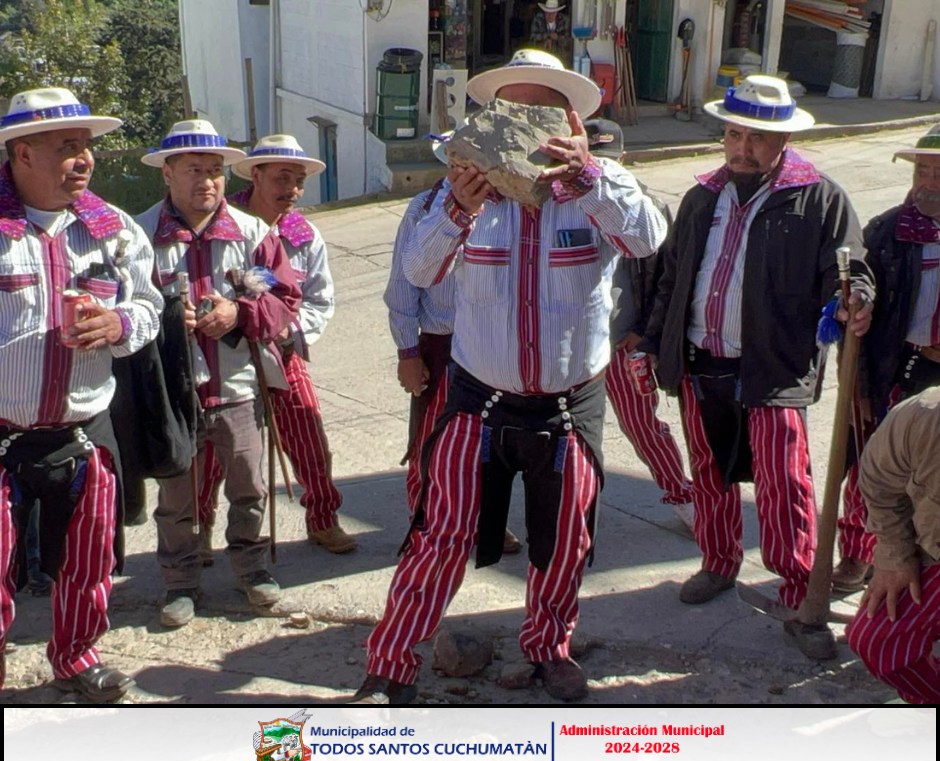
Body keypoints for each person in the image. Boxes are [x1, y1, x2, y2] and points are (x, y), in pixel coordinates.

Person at [355, 49, 666, 703]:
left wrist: (588, 179)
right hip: (479, 400)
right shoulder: (460, 192)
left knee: (565, 539)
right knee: (441, 534)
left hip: (568, 404)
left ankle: (549, 648)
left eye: (541, 111)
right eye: (510, 110)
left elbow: (645, 240)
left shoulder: (602, 182)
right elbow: (417, 270)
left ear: (570, 122)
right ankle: (390, 663)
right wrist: (456, 212)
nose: (523, 125)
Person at [641, 75, 875, 660]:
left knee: (783, 484)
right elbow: (672, 278)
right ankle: (718, 562)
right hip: (701, 362)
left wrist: (854, 296)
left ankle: (800, 594)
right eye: (734, 134)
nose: (742, 148)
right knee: (710, 473)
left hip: (773, 368)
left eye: (757, 138)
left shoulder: (819, 198)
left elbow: (850, 268)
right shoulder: (702, 197)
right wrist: (655, 346)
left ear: (784, 140)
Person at [0, 87, 163, 701]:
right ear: (22, 154)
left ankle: (77, 658)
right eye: (67, 146)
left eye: (86, 145)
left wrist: (119, 324)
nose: (85, 159)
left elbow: (150, 307)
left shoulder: (113, 229)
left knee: (87, 561)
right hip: (1, 434)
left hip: (82, 433)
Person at [137, 120, 301, 628]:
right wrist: (168, 318)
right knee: (176, 498)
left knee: (249, 486)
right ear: (167, 173)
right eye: (194, 170)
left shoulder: (254, 234)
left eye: (215, 170)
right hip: (173, 394)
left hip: (238, 388)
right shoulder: (138, 235)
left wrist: (238, 313)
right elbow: (120, 304)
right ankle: (180, 582)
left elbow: (284, 300)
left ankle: (252, 569)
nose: (207, 180)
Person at [197, 134, 356, 554]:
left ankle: (323, 518)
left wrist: (288, 332)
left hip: (281, 349)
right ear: (256, 176)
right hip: (222, 354)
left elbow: (319, 299)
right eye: (282, 178)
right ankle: (199, 529)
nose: (293, 189)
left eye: (299, 181)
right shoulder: (220, 223)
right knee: (211, 448)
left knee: (308, 433)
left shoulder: (305, 236)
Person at [385, 135, 523, 554]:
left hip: (496, 345)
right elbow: (403, 287)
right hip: (443, 349)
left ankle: (484, 522)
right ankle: (425, 526)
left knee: (492, 443)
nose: (463, 170)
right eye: (455, 161)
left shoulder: (511, 206)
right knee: (432, 444)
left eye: (472, 161)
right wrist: (409, 352)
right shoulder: (425, 208)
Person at [833, 125, 940, 593]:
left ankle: (915, 560)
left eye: (939, 173)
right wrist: (856, 385)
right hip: (896, 366)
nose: (928, 183)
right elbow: (859, 293)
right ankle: (858, 552)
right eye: (922, 171)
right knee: (871, 464)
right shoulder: (888, 231)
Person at [586, 118, 695, 531]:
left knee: (642, 426)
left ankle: (682, 495)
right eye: (593, 160)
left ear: (624, 159)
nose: (601, 169)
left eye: (609, 161)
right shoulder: (560, 206)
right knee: (567, 432)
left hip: (623, 343)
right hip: (573, 345)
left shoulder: (646, 206)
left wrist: (645, 334)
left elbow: (666, 278)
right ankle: (571, 504)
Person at [846, 386, 940, 705]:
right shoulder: (924, 415)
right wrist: (895, 556)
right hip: (934, 549)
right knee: (878, 641)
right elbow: (879, 481)